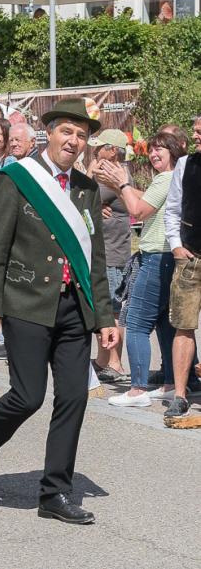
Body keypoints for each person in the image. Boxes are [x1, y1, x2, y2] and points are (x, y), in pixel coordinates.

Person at [0, 98, 118, 524]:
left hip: (74, 309)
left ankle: (55, 493)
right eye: (67, 131)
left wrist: (104, 316)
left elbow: (95, 260)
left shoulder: (86, 188)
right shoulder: (15, 179)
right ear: (50, 133)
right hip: (26, 303)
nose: (74, 140)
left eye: (81, 135)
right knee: (28, 396)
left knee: (73, 397)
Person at [95, 130, 191, 407]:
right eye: (151, 149)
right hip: (169, 257)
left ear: (174, 152)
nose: (153, 153)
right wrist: (118, 186)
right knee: (163, 323)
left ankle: (137, 389)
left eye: (160, 149)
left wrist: (122, 183)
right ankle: (171, 384)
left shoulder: (165, 178)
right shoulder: (176, 178)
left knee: (135, 323)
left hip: (156, 258)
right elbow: (145, 198)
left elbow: (138, 210)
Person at [163, 114, 201, 420]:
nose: (196, 136)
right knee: (183, 325)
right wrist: (175, 244)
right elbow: (172, 208)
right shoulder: (186, 165)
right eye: (196, 131)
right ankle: (179, 394)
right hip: (190, 257)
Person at [87, 130, 130, 383]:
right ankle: (104, 361)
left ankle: (115, 363)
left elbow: (81, 196)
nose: (94, 151)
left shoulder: (114, 175)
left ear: (113, 150)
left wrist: (91, 171)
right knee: (103, 309)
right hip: (106, 252)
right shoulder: (110, 176)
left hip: (112, 254)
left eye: (100, 147)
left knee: (111, 310)